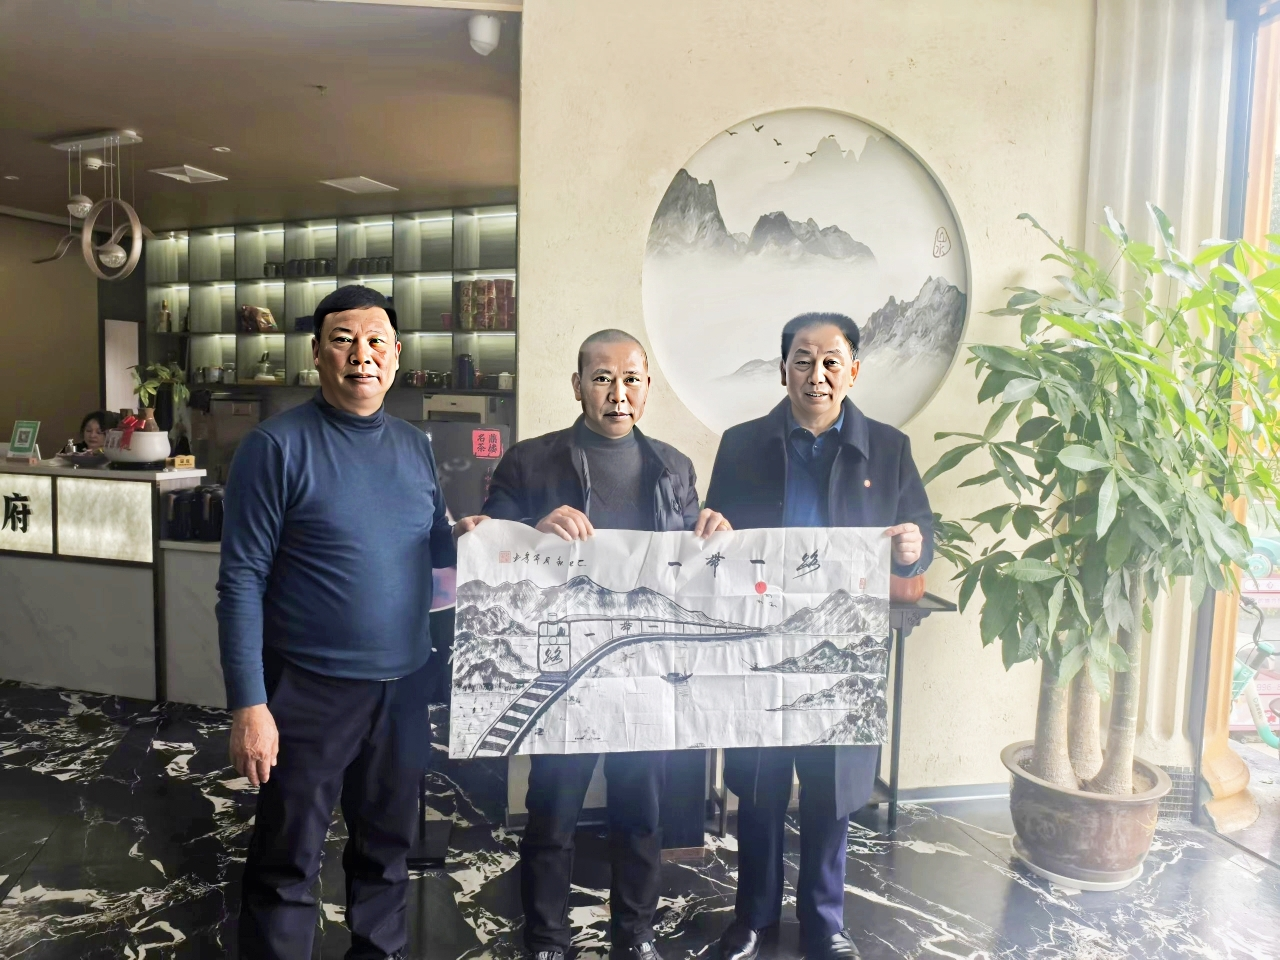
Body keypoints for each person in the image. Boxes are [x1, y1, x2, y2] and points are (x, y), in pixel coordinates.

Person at [453, 329, 730, 960]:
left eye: (631, 379)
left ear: (648, 387)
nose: (618, 393)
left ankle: (634, 935)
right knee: (552, 815)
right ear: (578, 386)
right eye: (603, 378)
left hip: (645, 670)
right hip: (565, 672)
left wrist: (711, 529)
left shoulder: (674, 467)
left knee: (642, 815)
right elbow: (488, 540)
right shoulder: (529, 461)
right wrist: (531, 528)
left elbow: (688, 564)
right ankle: (546, 940)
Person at [216, 284, 456, 960]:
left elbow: (437, 548)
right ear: (317, 354)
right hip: (309, 690)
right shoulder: (275, 447)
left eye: (376, 341)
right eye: (343, 340)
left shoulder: (414, 446)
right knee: (288, 857)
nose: (362, 355)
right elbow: (240, 580)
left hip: (403, 686)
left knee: (387, 849)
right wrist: (250, 704)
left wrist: (507, 536)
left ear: (397, 355)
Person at [706, 313, 932, 960]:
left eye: (832, 361)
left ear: (853, 371)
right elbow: (715, 534)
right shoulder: (741, 444)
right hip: (761, 646)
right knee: (760, 789)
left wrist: (913, 547)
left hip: (843, 650)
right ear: (783, 370)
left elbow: (920, 531)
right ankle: (751, 918)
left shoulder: (888, 448)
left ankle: (824, 922)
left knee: (830, 795)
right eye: (803, 360)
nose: (818, 374)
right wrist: (713, 529)